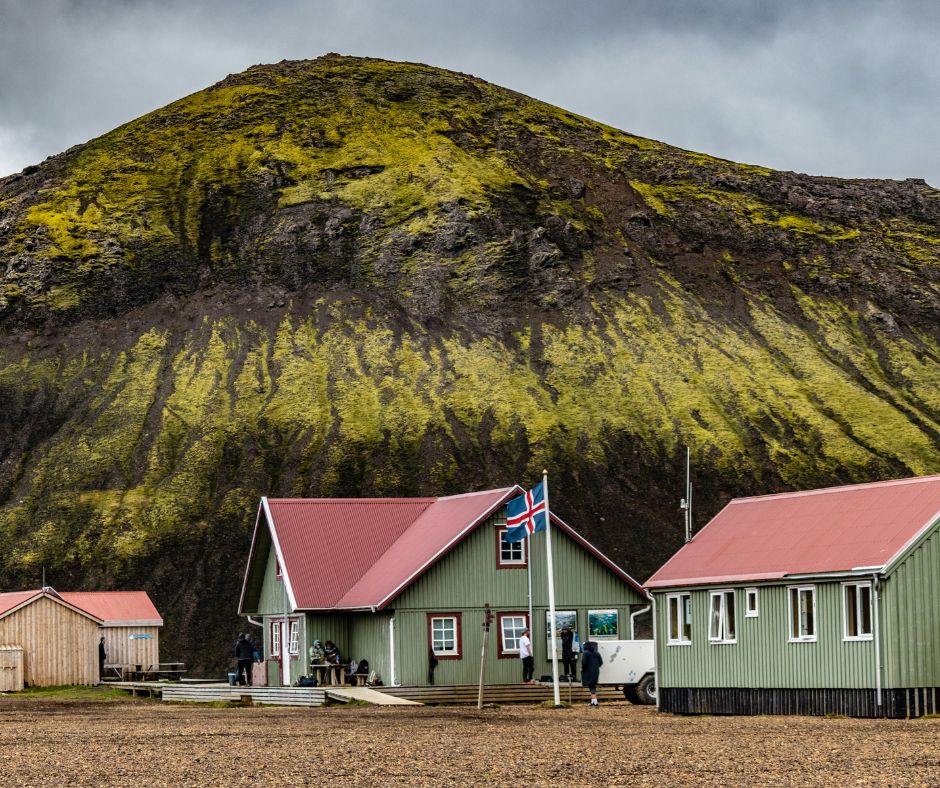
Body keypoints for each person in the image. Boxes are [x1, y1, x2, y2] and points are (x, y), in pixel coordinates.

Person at [581, 641, 604, 707]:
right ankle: (593, 701)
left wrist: (582, 669)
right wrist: (595, 667)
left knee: (591, 686)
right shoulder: (597, 653)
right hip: (596, 671)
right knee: (592, 686)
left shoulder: (585, 653)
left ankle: (595, 702)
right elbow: (601, 662)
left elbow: (584, 663)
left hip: (588, 672)